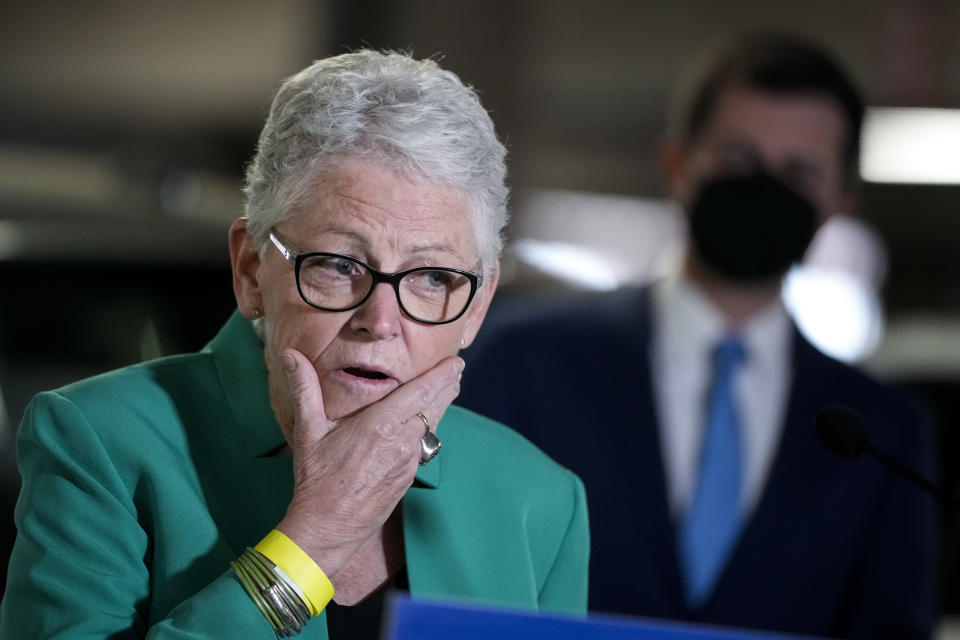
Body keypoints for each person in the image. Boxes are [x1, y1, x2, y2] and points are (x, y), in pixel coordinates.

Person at [0, 50, 589, 638]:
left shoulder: (537, 498)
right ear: (252, 270)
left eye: (433, 278)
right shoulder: (98, 441)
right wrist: (314, 539)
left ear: (476, 308)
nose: (380, 320)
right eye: (338, 264)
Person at [458, 32, 937, 639]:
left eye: (799, 172)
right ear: (676, 166)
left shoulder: (880, 431)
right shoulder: (525, 359)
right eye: (738, 160)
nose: (764, 189)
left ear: (842, 200)